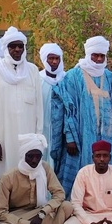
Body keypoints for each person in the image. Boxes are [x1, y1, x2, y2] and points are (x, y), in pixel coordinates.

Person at [0, 27, 43, 201]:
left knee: (27, 172)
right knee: (2, 174)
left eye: (20, 46)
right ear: (6, 48)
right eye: (12, 46)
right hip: (3, 135)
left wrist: (38, 138)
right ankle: (0, 212)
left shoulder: (32, 70)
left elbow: (39, 106)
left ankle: (25, 212)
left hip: (28, 135)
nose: (17, 50)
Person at [55, 35, 112, 195]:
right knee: (82, 170)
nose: (98, 59)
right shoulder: (73, 76)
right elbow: (68, 109)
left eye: (102, 56)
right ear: (88, 54)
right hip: (82, 136)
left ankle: (104, 203)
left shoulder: (109, 76)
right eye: (95, 55)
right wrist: (70, 138)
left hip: (106, 135)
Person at [0, 134, 73, 224]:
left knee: (67, 207)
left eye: (38, 156)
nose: (34, 161)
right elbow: (0, 213)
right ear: (23, 155)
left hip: (39, 213)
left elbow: (59, 194)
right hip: (17, 217)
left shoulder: (45, 168)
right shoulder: (8, 178)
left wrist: (42, 214)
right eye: (30, 156)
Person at [38, 43, 66, 171]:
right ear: (45, 59)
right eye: (51, 58)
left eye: (57, 58)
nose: (54, 62)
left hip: (62, 132)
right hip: (42, 129)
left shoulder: (66, 80)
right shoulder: (37, 79)